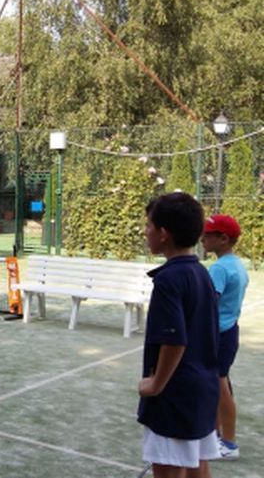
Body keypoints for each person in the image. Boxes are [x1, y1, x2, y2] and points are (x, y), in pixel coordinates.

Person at [138, 193, 220, 478]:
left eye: (149, 225)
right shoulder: (201, 273)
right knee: (198, 467)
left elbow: (175, 340)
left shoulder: (168, 280)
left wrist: (155, 385)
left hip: (175, 396)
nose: (145, 231)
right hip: (202, 392)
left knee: (170, 471)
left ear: (164, 234)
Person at [201, 214, 249, 460]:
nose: (202, 238)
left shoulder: (219, 268)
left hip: (218, 335)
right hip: (229, 332)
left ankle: (228, 444)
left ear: (223, 239)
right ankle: (217, 437)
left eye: (208, 235)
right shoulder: (237, 264)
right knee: (219, 385)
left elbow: (208, 305)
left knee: (220, 387)